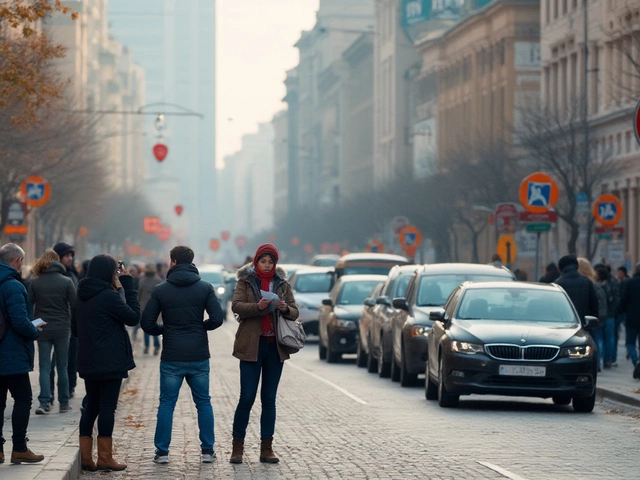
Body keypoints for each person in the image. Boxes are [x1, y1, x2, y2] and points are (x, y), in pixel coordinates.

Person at [141, 246, 224, 465]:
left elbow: (146, 323)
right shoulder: (205, 288)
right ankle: (207, 450)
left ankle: (162, 452)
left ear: (174, 261)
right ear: (192, 261)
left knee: (167, 404)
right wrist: (199, 327)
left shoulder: (161, 290)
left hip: (172, 355)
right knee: (203, 403)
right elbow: (217, 318)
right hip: (198, 354)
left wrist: (165, 329)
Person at [230, 243, 299, 464]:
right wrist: (258, 306)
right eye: (263, 261)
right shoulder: (246, 281)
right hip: (252, 345)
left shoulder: (282, 284)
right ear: (256, 261)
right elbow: (236, 306)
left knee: (269, 399)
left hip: (274, 347)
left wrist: (285, 308)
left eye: (271, 262)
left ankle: (266, 448)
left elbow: (295, 310)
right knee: (247, 397)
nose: (267, 265)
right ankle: (237, 448)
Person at [72, 254, 140, 472]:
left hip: (88, 360)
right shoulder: (108, 297)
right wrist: (129, 286)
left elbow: (74, 330)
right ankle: (104, 458)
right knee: (107, 408)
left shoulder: (80, 295)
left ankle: (85, 457)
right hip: (110, 361)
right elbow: (133, 317)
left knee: (91, 407)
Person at [0, 243, 44, 464]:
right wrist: (33, 330)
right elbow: (19, 320)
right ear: (17, 261)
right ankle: (19, 448)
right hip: (12, 352)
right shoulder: (13, 286)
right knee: (23, 398)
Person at [28, 249, 76, 414]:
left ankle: (44, 402)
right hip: (63, 327)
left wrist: (33, 323)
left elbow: (28, 306)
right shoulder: (67, 281)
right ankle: (63, 403)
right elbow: (74, 305)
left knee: (44, 367)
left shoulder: (35, 282)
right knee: (62, 366)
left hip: (42, 328)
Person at [51, 242, 79, 401]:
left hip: (71, 323)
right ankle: (52, 393)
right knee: (55, 362)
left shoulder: (73, 275)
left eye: (71, 256)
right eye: (67, 256)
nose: (69, 259)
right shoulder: (53, 276)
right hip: (57, 324)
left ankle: (70, 386)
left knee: (71, 357)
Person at [555, 254, 599, 323]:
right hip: (584, 323)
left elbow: (556, 308)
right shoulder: (586, 282)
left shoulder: (558, 284)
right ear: (576, 266)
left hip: (565, 323)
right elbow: (594, 304)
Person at [594, 264, 620, 369]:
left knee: (598, 338)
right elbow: (617, 299)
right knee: (610, 338)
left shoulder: (596, 285)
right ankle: (608, 360)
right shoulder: (613, 283)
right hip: (610, 315)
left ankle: (598, 361)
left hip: (599, 315)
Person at [619, 263, 640, 378]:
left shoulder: (629, 283)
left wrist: (621, 311)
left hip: (631, 317)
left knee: (630, 343)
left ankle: (636, 361)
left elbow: (623, 300)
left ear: (635, 271)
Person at [137, 263, 162, 355]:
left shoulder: (142, 280)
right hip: (156, 307)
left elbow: (139, 294)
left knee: (146, 328)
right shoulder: (158, 280)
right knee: (155, 327)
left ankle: (147, 346)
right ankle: (156, 346)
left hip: (144, 307)